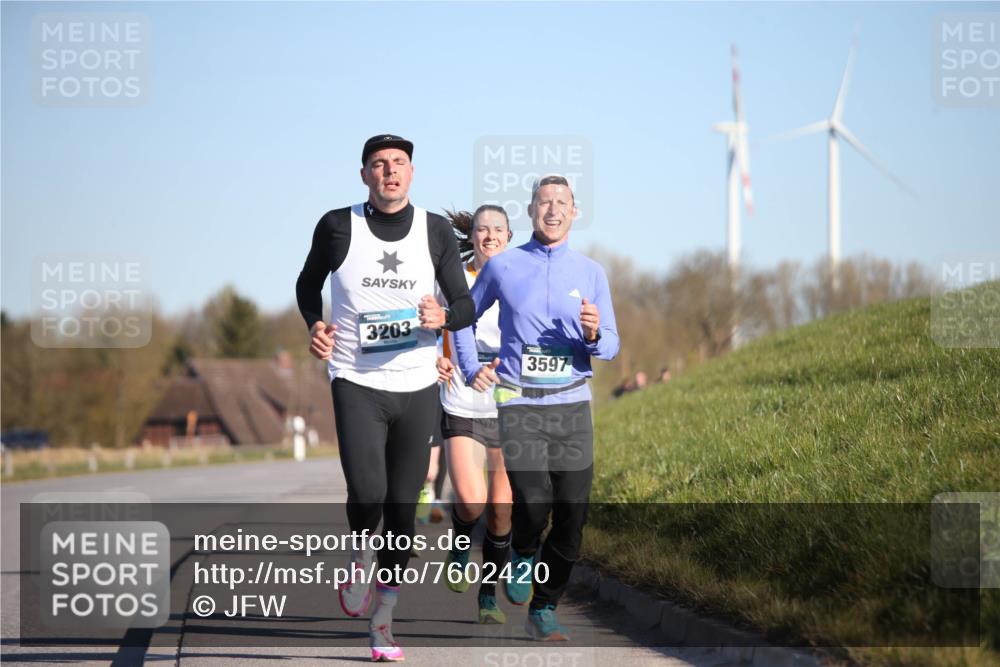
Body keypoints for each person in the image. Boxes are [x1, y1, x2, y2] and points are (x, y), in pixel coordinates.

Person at [295, 134, 474, 662]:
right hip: (354, 377)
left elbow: (463, 304)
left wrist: (443, 317)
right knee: (368, 491)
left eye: (398, 164)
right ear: (364, 175)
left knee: (401, 509)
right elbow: (307, 285)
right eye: (379, 164)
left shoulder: (435, 232)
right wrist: (315, 324)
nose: (389, 171)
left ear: (412, 174)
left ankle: (383, 624)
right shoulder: (337, 225)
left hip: (418, 383)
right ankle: (360, 555)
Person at [454, 174, 619, 641]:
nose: (552, 209)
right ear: (530, 211)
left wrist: (593, 334)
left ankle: (543, 608)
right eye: (544, 202)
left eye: (561, 202)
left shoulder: (591, 273)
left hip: (572, 406)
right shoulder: (504, 267)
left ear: (575, 211)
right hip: (519, 401)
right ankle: (523, 555)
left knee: (572, 516)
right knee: (531, 502)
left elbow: (611, 344)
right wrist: (470, 367)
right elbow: (463, 317)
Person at [434, 205, 513, 624]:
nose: (489, 236)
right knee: (471, 500)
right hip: (461, 399)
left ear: (509, 236)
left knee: (502, 511)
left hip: (510, 404)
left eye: (497, 229)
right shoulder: (454, 281)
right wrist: (435, 357)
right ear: (473, 237)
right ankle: (461, 543)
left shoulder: (522, 280)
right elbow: (428, 324)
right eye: (481, 229)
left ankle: (487, 596)